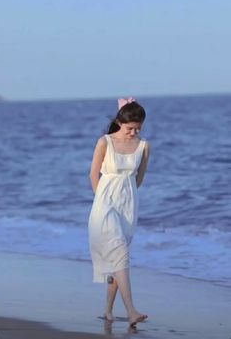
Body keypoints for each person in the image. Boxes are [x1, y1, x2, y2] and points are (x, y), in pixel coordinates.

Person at [88, 97, 150, 328]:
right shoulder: (105, 142)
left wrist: (126, 194)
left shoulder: (144, 146)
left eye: (138, 128)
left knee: (118, 258)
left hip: (128, 206)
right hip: (105, 204)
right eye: (129, 128)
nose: (133, 132)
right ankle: (132, 311)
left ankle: (108, 309)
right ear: (120, 123)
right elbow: (93, 175)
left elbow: (139, 178)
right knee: (120, 252)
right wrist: (101, 201)